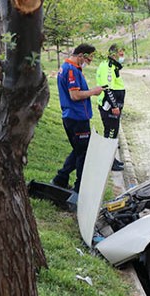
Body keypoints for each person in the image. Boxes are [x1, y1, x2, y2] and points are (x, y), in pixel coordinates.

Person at [52, 44, 104, 193]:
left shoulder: (69, 68)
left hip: (74, 116)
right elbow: (74, 95)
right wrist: (93, 91)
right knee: (83, 153)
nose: (89, 61)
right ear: (80, 55)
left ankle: (60, 179)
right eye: (88, 57)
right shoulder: (71, 70)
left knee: (79, 150)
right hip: (76, 118)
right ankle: (79, 188)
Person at [96, 44, 126, 171]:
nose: (123, 57)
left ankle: (111, 158)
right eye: (121, 54)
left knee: (113, 133)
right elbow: (107, 88)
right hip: (109, 107)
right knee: (110, 133)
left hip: (114, 106)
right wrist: (114, 106)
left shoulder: (113, 66)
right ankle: (108, 161)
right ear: (114, 54)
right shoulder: (107, 66)